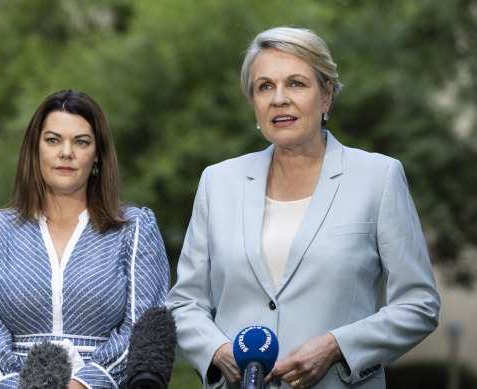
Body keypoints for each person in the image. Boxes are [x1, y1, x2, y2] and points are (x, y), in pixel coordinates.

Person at [165, 26, 440, 389]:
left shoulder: (379, 177)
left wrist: (335, 346)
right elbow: (184, 303)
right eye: (265, 86)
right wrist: (217, 351)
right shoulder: (217, 182)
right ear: (254, 103)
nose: (279, 99)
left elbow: (419, 304)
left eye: (295, 83)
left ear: (326, 96)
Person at [0, 89, 170, 389]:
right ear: (36, 150)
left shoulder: (135, 229)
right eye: (53, 140)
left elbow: (145, 324)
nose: (66, 152)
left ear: (97, 156)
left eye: (81, 142)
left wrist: (82, 385)